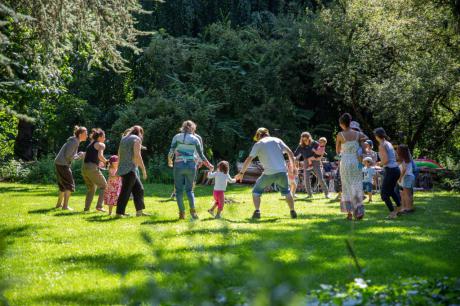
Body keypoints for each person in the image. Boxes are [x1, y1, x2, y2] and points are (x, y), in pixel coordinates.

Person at [235, 128, 298, 219]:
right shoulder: (278, 140)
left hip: (269, 173)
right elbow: (290, 153)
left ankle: (257, 211)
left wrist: (241, 173)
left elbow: (249, 159)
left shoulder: (259, 144)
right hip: (282, 172)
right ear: (267, 133)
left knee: (256, 191)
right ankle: (292, 211)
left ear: (258, 135)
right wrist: (293, 168)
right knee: (287, 192)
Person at [168, 120, 214, 220]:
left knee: (179, 191)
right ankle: (193, 213)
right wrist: (209, 165)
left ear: (183, 127)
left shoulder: (176, 137)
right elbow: (201, 155)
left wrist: (169, 161)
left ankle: (181, 213)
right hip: (191, 166)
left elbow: (171, 151)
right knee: (190, 190)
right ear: (192, 128)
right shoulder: (195, 139)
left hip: (178, 165)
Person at [336, 113, 368, 220]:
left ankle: (349, 213)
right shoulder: (358, 134)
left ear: (341, 123)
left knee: (346, 186)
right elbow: (364, 145)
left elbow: (337, 150)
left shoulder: (340, 135)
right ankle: (359, 212)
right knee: (357, 185)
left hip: (345, 161)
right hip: (355, 161)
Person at [116, 125, 149, 217]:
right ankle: (119, 213)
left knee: (139, 189)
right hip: (130, 169)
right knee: (125, 191)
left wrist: (119, 166)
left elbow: (119, 153)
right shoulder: (137, 139)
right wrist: (143, 169)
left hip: (125, 168)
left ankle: (139, 212)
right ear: (140, 133)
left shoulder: (124, 138)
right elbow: (137, 155)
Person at [54, 126, 87, 210]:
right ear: (80, 135)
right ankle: (65, 206)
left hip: (60, 163)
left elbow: (70, 154)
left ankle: (59, 205)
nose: (87, 135)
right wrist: (80, 156)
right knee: (69, 185)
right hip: (63, 164)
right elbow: (68, 156)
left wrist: (78, 155)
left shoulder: (74, 141)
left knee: (62, 185)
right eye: (85, 134)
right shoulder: (74, 142)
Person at [374, 127, 401, 219]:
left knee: (384, 194)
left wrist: (378, 163)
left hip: (390, 170)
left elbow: (385, 160)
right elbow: (396, 157)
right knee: (391, 191)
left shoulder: (382, 145)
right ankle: (399, 207)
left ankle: (392, 213)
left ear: (377, 136)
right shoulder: (389, 143)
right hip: (396, 170)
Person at [294, 132, 329, 199]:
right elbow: (295, 154)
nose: (305, 141)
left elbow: (321, 150)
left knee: (320, 178)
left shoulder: (314, 143)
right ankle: (309, 195)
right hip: (306, 162)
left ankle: (326, 194)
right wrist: (294, 159)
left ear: (309, 138)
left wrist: (320, 158)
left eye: (306, 139)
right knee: (306, 179)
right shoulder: (301, 145)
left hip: (315, 161)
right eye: (303, 140)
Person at [82, 128, 108, 212]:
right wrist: (107, 161)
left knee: (91, 188)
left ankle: (86, 209)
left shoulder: (91, 144)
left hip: (84, 168)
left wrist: (100, 163)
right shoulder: (101, 145)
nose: (105, 139)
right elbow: (100, 156)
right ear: (100, 137)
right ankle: (99, 206)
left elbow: (93, 157)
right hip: (92, 168)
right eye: (104, 137)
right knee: (104, 186)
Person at [397, 145, 415, 214]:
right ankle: (408, 207)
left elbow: (404, 169)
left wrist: (400, 177)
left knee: (407, 194)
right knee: (407, 194)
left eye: (398, 149)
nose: (397, 151)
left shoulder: (403, 159)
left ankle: (408, 208)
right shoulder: (408, 158)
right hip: (409, 176)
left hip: (407, 177)